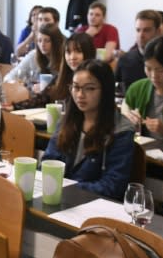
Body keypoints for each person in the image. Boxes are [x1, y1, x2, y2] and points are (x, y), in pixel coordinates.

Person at [42, 60, 135, 200]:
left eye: (89, 88)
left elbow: (113, 185)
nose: (80, 95)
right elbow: (48, 162)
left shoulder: (121, 130)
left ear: (106, 90)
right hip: (61, 198)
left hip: (94, 205)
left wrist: (67, 187)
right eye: (76, 87)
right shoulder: (67, 121)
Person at [5, 32, 95, 111]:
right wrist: (15, 107)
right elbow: (43, 98)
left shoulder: (96, 79)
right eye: (68, 52)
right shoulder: (62, 77)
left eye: (78, 51)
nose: (72, 57)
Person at [114, 10, 162, 91]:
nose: (141, 35)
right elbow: (115, 89)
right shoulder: (124, 60)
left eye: (146, 30)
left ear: (158, 32)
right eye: (138, 30)